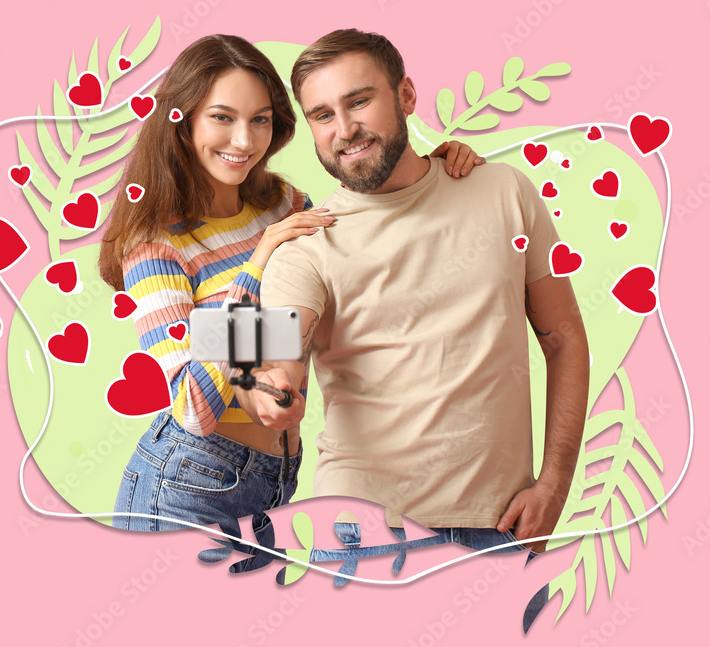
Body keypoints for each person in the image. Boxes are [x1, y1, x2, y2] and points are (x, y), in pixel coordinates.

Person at [98, 34, 483, 537]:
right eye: (222, 117)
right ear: (182, 119)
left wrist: (431, 171)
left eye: (259, 119)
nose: (244, 141)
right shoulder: (154, 246)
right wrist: (257, 264)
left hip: (277, 479)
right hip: (187, 482)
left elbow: (357, 246)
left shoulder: (279, 201)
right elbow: (193, 406)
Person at [250, 29, 590, 558]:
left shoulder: (503, 191)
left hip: (502, 526)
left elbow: (564, 336)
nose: (345, 129)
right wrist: (270, 386)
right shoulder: (305, 245)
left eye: (359, 101)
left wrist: (556, 484)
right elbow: (272, 363)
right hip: (359, 539)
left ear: (406, 96)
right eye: (322, 115)